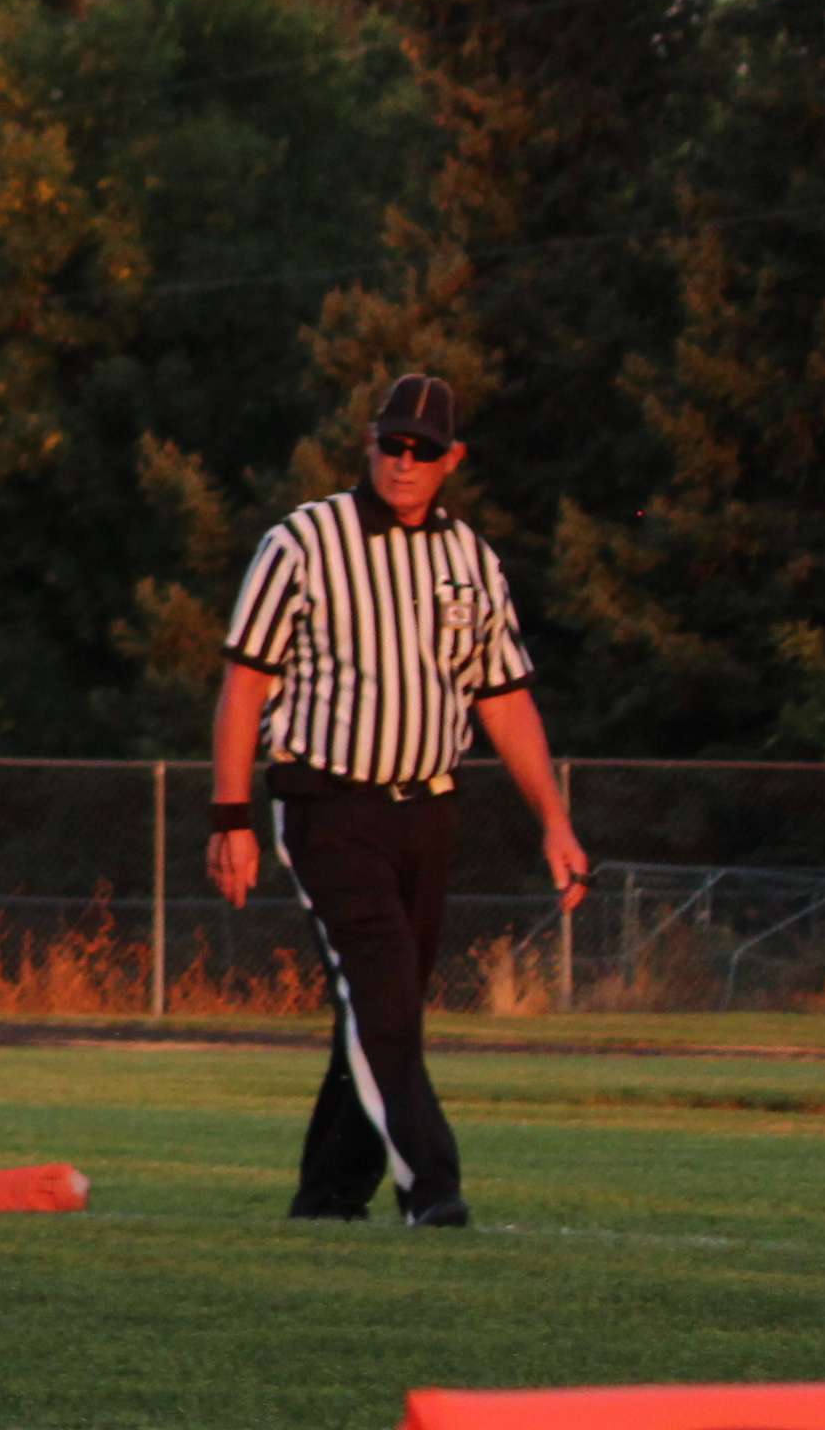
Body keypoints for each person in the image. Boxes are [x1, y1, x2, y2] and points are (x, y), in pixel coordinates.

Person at [205, 372, 588, 1227]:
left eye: (422, 449)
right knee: (381, 996)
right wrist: (231, 817)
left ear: (452, 459)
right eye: (391, 444)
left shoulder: (470, 558)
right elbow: (243, 688)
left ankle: (329, 1194)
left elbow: (504, 698)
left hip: (428, 809)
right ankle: (433, 1187)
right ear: (369, 446)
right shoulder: (304, 542)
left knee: (386, 1010)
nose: (404, 462)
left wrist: (554, 819)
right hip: (328, 804)